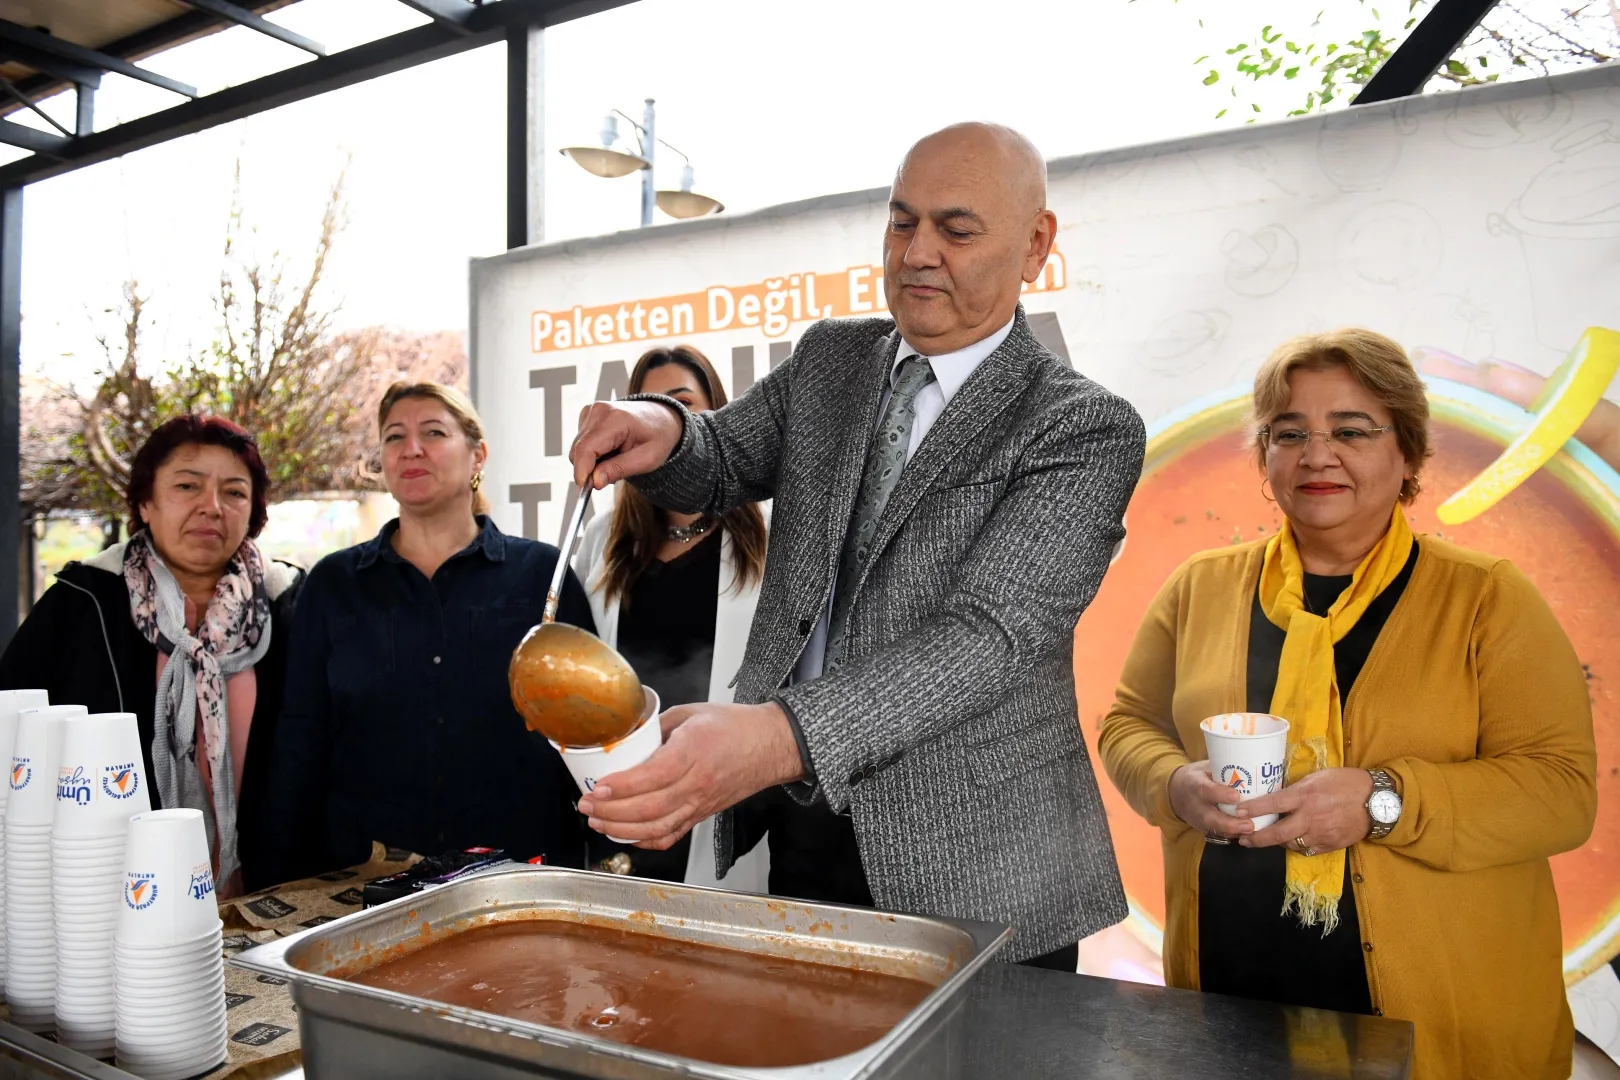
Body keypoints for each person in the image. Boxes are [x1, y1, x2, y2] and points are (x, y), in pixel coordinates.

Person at [568, 122, 1146, 968]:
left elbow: (988, 637)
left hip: (983, 876)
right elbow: (720, 457)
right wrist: (660, 427)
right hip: (806, 837)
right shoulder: (832, 361)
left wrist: (773, 738)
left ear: (1035, 244)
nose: (916, 253)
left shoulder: (1081, 425)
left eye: (956, 229)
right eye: (901, 221)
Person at [1097, 329, 1596, 1079]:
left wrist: (1381, 802)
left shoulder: (1486, 598)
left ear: (1409, 454)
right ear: (1265, 458)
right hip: (1230, 999)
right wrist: (1172, 784)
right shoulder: (1201, 586)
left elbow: (1561, 794)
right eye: (1289, 433)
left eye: (1352, 431)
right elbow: (1129, 724)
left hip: (1438, 1022)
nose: (1317, 455)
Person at [260, 382, 597, 884]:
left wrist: (612, 859)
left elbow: (590, 727)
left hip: (521, 880)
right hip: (365, 883)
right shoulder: (333, 584)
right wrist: (279, 873)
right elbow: (300, 738)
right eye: (394, 436)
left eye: (434, 432)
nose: (411, 448)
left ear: (477, 454)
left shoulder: (541, 576)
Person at [0, 415, 304, 895]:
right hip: (110, 893)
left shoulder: (289, 604)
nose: (211, 507)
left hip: (269, 896)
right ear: (146, 502)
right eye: (187, 486)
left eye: (234, 492)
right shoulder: (83, 602)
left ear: (253, 512)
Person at [573, 345, 771, 889]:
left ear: (717, 420)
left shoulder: (770, 537)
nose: (663, 423)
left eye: (683, 404)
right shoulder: (602, 542)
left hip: (733, 802)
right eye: (647, 408)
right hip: (627, 805)